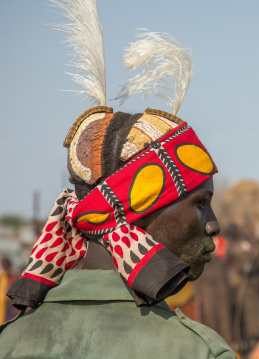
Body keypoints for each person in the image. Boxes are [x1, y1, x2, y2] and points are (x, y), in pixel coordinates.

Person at [0, 0, 235, 358]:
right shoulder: (199, 351)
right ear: (136, 208)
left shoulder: (10, 344)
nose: (213, 225)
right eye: (200, 204)